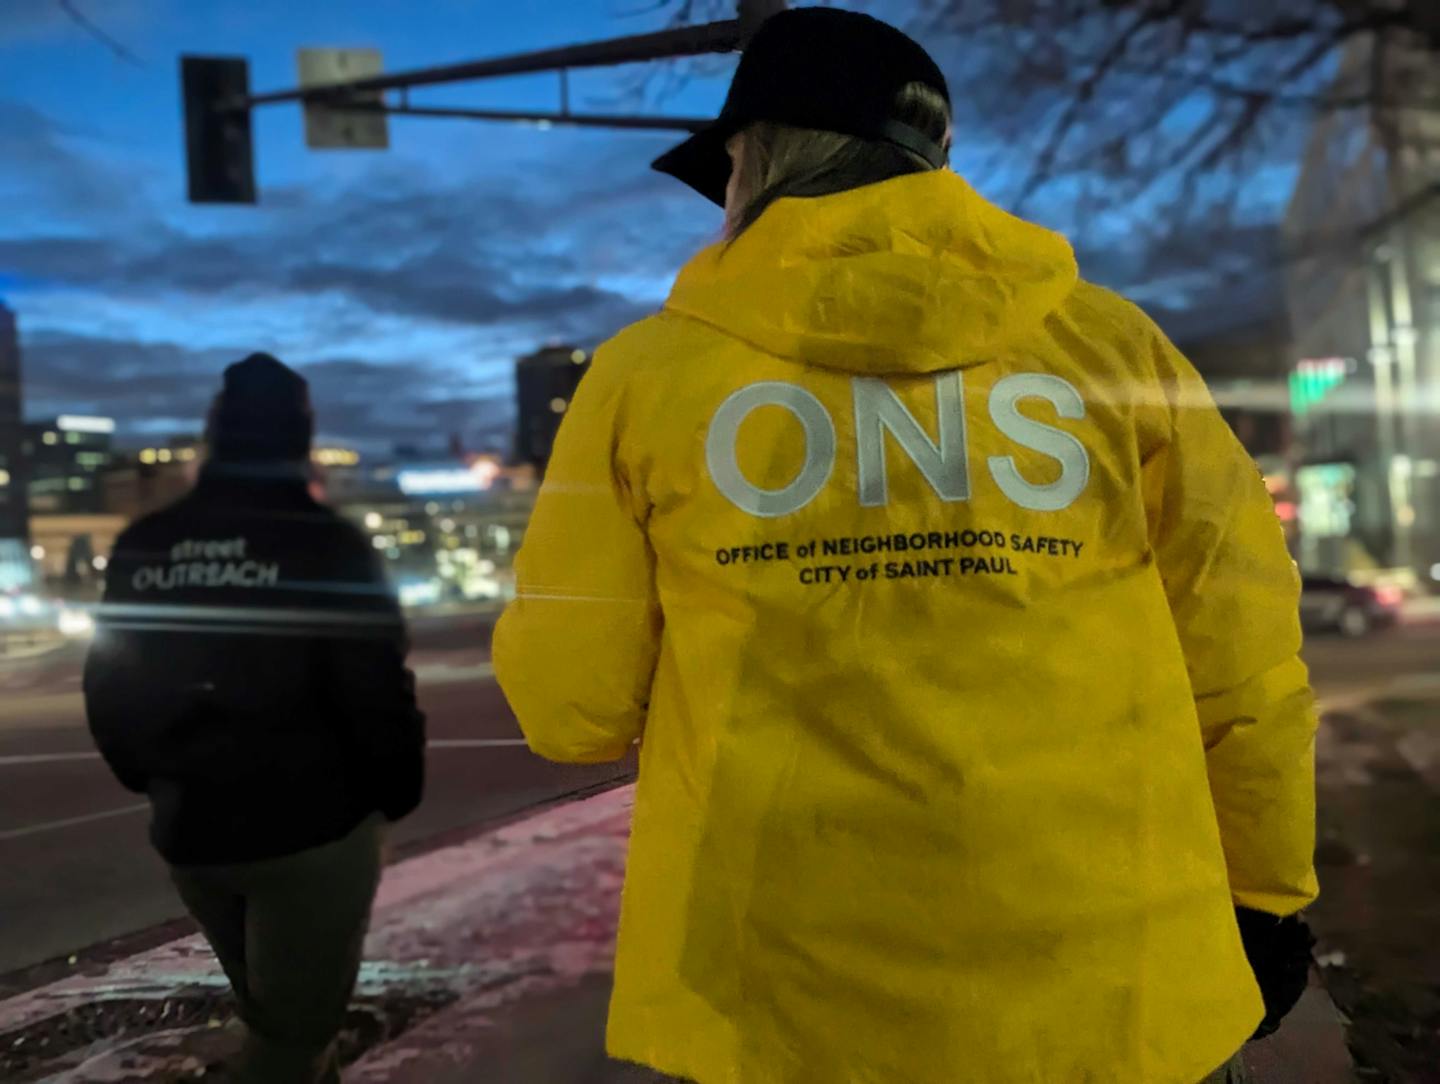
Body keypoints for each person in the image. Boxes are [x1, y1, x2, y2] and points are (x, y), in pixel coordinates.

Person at [493, 8, 1317, 1083]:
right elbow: (1243, 659)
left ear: (756, 158)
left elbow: (573, 707)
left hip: (775, 999)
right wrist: (1266, 898)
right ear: (940, 164)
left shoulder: (647, 379)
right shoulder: (1113, 351)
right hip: (1119, 988)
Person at [84, 353, 425, 1084]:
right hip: (310, 831)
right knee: (293, 1038)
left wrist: (157, 778)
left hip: (193, 832)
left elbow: (109, 681)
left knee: (273, 1016)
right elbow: (374, 687)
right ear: (300, 437)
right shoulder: (325, 543)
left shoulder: (148, 544)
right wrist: (394, 792)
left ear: (215, 434)